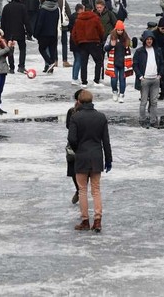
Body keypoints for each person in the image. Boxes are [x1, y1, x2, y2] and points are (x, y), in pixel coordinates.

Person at [67, 89, 112, 233]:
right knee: (96, 190)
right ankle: (97, 220)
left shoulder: (76, 117)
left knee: (82, 190)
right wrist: (109, 159)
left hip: (81, 156)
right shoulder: (101, 117)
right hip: (97, 156)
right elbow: (106, 141)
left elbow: (72, 139)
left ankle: (85, 221)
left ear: (79, 101)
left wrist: (78, 149)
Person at [134, 30, 163, 128]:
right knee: (144, 101)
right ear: (144, 40)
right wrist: (140, 76)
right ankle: (142, 119)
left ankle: (153, 120)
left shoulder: (158, 50)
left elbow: (162, 63)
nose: (149, 41)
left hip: (155, 79)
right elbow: (135, 64)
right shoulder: (139, 51)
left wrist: (160, 75)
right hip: (145, 80)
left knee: (154, 102)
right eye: (147, 39)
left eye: (151, 39)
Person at [70, 2, 105, 86]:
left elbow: (73, 33)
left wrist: (77, 42)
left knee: (84, 63)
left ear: (84, 9)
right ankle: (96, 81)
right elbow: (101, 30)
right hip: (94, 42)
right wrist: (100, 40)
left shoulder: (78, 19)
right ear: (93, 10)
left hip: (82, 43)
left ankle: (84, 82)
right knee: (99, 61)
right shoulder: (95, 18)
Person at [0, 0, 31, 74]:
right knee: (22, 48)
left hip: (9, 31)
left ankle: (12, 67)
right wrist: (29, 32)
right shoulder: (22, 7)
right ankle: (21, 66)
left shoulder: (7, 7)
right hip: (20, 31)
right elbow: (26, 21)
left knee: (10, 49)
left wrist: (4, 31)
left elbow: (2, 21)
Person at [65, 90, 85, 203]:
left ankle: (80, 190)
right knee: (74, 170)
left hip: (80, 144)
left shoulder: (73, 111)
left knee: (79, 170)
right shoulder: (71, 111)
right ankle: (79, 190)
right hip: (77, 144)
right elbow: (69, 126)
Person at [104, 20, 131, 102]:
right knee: (114, 79)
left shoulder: (126, 38)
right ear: (116, 29)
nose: (120, 32)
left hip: (124, 62)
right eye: (118, 30)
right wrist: (110, 46)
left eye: (121, 30)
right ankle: (115, 91)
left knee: (122, 79)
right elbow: (105, 48)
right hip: (114, 62)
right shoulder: (111, 37)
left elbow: (132, 45)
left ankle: (122, 94)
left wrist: (134, 42)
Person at [36, 0, 62, 74]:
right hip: (53, 33)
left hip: (44, 33)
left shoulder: (43, 9)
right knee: (52, 50)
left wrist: (36, 33)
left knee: (41, 49)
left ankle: (50, 63)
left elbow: (40, 23)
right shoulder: (56, 9)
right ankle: (51, 67)